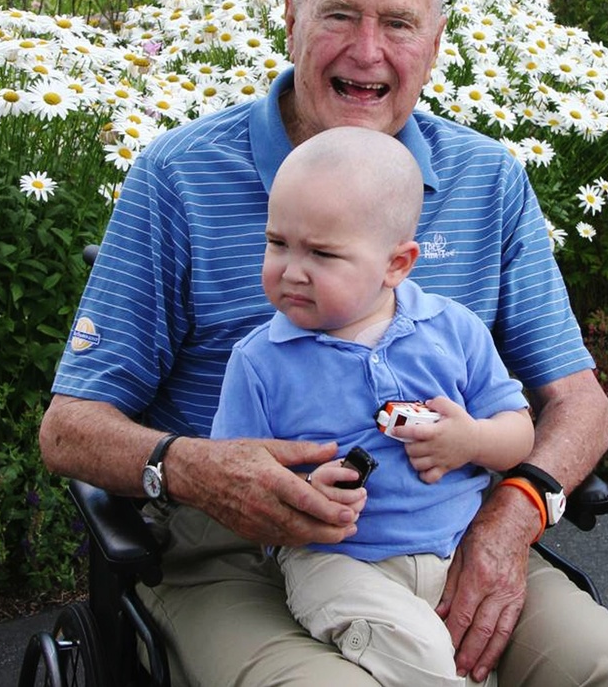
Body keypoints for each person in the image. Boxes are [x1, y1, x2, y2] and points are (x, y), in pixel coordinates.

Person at [39, 0, 608, 686]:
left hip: (446, 535)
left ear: (435, 45)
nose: (367, 51)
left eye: (399, 23)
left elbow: (580, 400)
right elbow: (69, 428)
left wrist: (517, 512)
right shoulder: (178, 179)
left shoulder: (488, 180)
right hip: (235, 553)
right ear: (292, 23)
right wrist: (198, 468)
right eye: (340, 14)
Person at [211, 126, 535, 686]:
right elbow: (234, 478)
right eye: (277, 243)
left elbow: (519, 431)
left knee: (499, 653)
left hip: (456, 549)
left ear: (397, 265)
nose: (291, 269)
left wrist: (471, 441)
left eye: (322, 253)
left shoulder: (452, 330)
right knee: (427, 662)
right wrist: (304, 496)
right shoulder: (261, 361)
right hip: (335, 563)